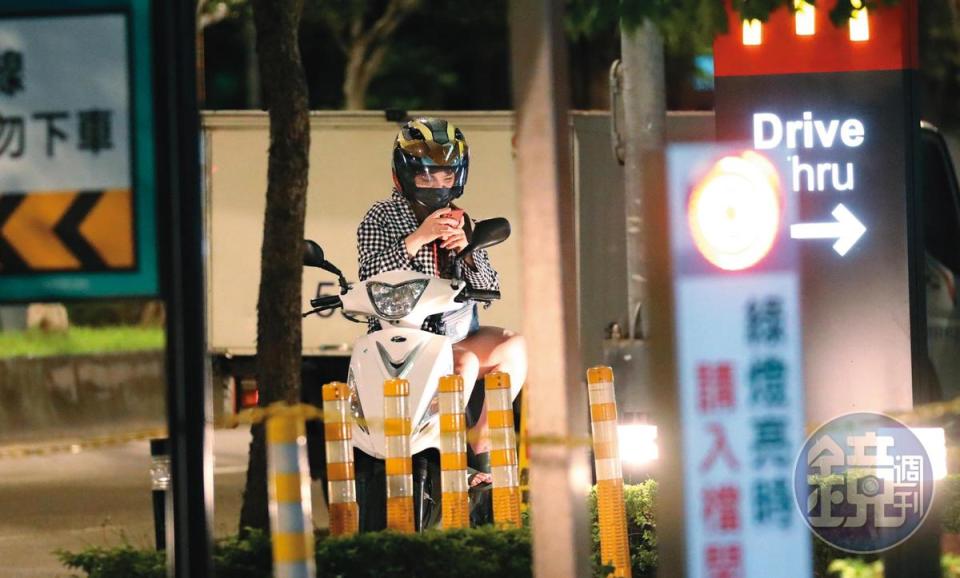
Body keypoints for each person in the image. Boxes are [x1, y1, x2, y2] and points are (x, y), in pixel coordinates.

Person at [356, 117, 526, 466]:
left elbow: (490, 290)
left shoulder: (461, 219)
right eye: (425, 176)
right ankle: (444, 449)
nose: (437, 184)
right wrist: (418, 237)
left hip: (455, 333)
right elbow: (369, 275)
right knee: (461, 362)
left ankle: (481, 445)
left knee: (516, 345)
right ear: (402, 175)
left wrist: (468, 247)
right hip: (400, 339)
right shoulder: (382, 215)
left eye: (446, 176)